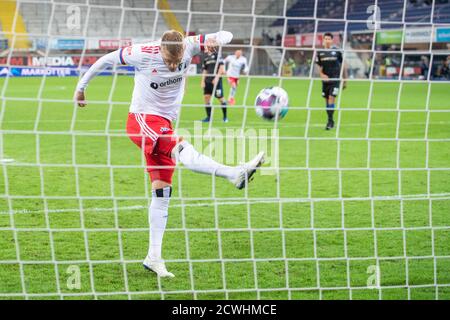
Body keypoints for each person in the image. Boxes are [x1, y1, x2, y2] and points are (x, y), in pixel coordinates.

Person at [74, 30, 265, 278]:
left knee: (162, 192)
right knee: (182, 149)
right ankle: (234, 173)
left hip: (165, 123)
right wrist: (81, 88)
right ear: (162, 50)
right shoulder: (142, 53)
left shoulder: (191, 45)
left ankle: (154, 257)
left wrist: (215, 40)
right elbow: (105, 60)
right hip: (142, 119)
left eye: (178, 61)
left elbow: (227, 33)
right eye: (169, 61)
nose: (174, 66)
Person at [315, 32, 347, 130]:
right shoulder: (319, 52)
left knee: (331, 98)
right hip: (325, 81)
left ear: (332, 40)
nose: (327, 41)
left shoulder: (337, 51)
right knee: (327, 100)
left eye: (329, 39)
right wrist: (321, 75)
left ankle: (330, 121)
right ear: (323, 40)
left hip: (335, 79)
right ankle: (330, 119)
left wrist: (345, 79)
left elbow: (343, 65)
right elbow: (318, 66)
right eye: (326, 39)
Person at [200, 51, 228, 122]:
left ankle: (225, 117)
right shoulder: (206, 57)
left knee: (221, 98)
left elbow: (221, 67)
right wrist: (203, 81)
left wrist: (217, 78)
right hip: (207, 81)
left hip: (216, 82)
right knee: (206, 98)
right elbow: (205, 70)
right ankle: (209, 118)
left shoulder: (217, 55)